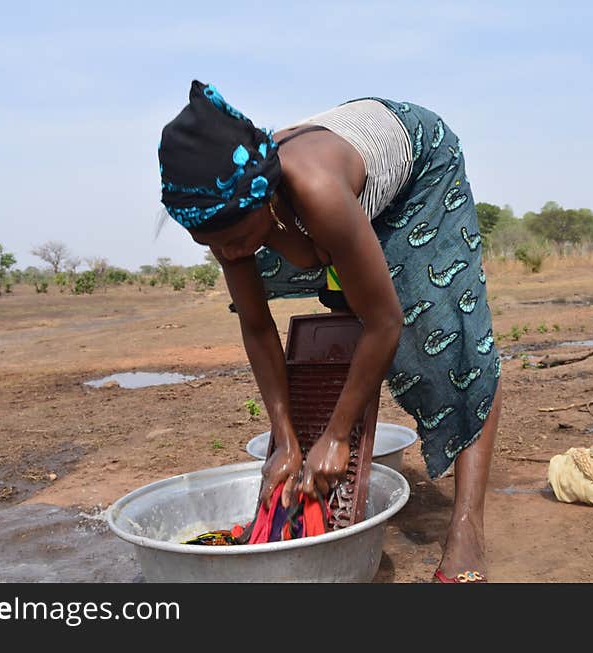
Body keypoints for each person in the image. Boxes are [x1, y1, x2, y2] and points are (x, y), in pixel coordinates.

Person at [157, 80, 502, 583]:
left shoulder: (314, 192)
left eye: (233, 240)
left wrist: (338, 436)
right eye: (208, 243)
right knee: (350, 294)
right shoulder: (223, 214)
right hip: (320, 209)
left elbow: (385, 322)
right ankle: (345, 279)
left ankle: (468, 528)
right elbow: (256, 327)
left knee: (450, 339)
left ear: (266, 198)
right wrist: (284, 438)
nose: (227, 254)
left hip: (417, 172)